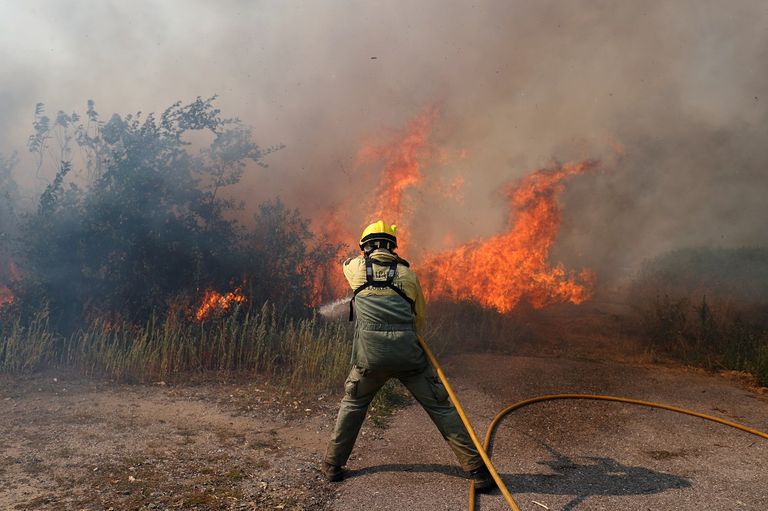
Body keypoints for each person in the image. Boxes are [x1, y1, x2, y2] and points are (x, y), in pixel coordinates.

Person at [322, 220, 495, 491]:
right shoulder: (408, 276)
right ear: (393, 247)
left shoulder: (355, 269)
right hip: (409, 359)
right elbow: (419, 318)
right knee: (440, 407)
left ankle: (333, 466)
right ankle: (477, 470)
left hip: (370, 360)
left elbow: (346, 262)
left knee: (353, 406)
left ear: (366, 247)